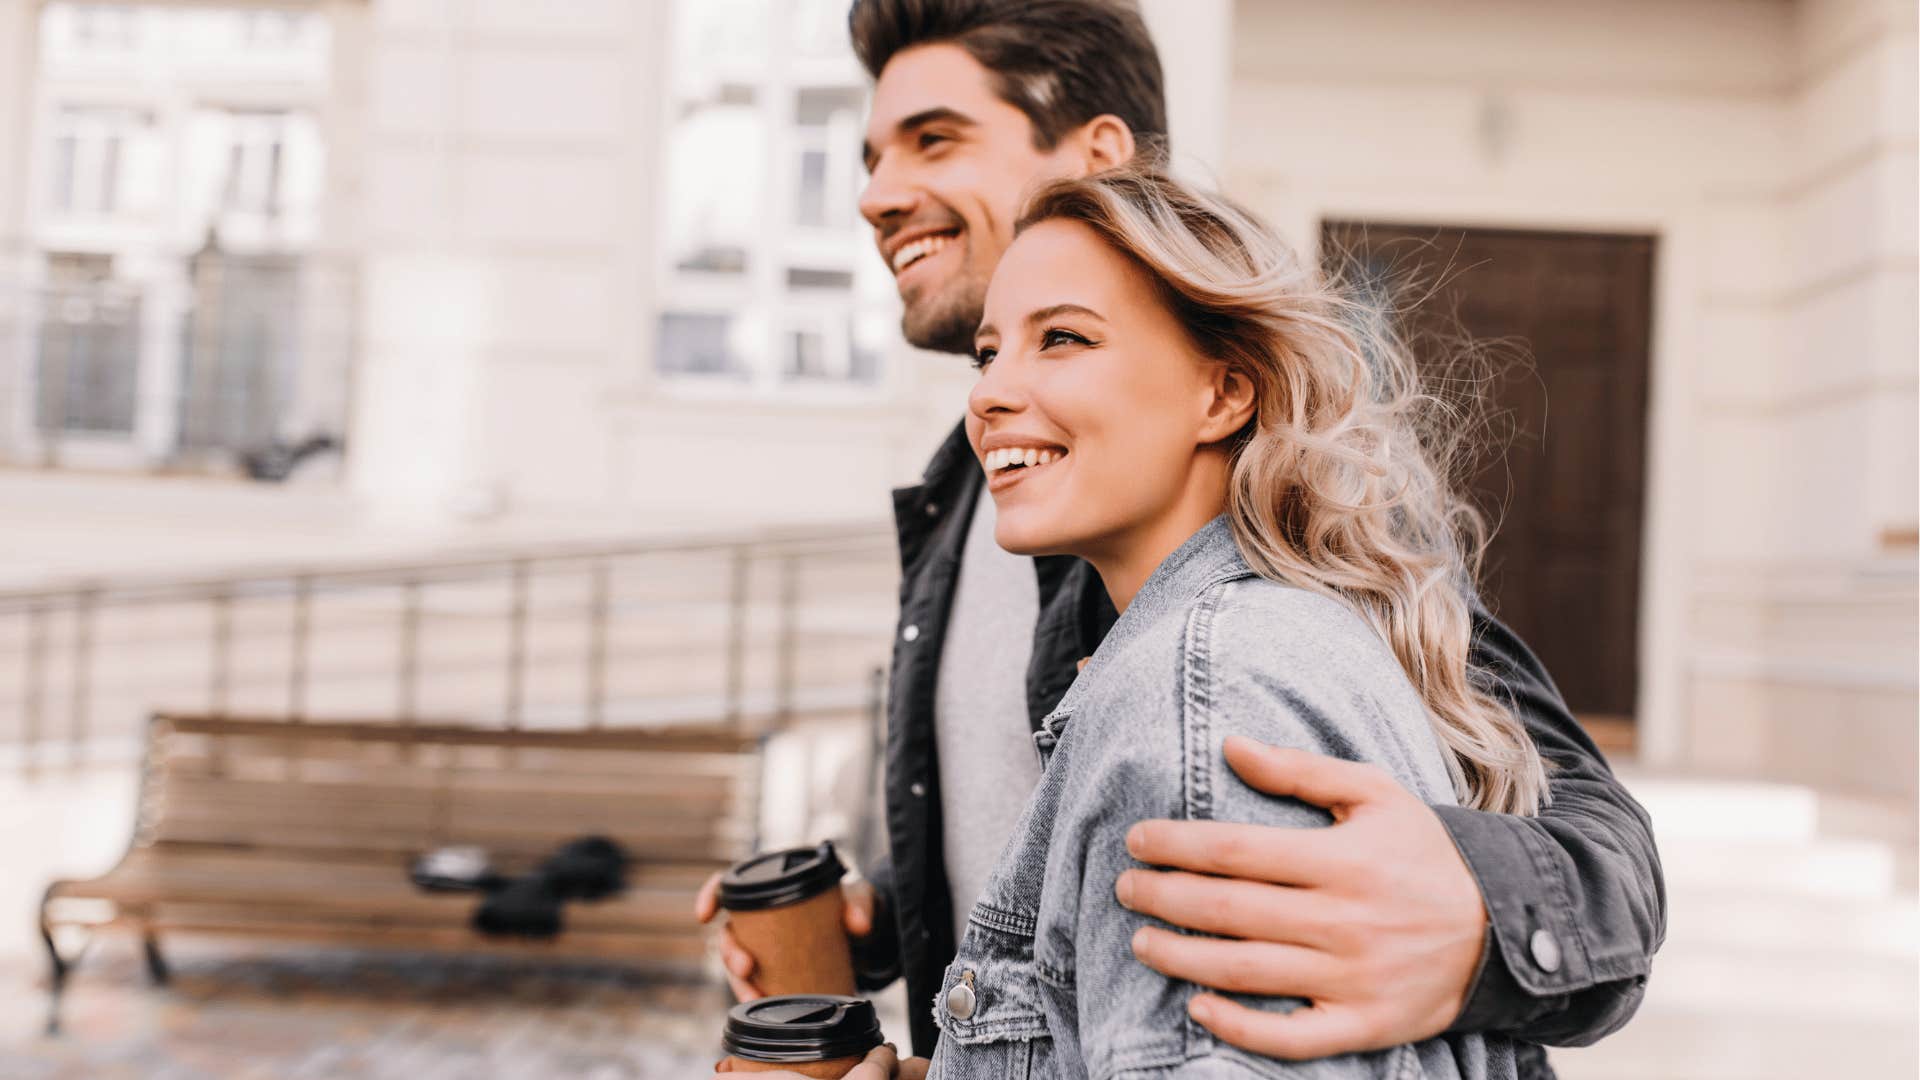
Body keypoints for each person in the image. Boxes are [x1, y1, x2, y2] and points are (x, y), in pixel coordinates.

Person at [697, 2, 1663, 1075]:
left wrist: (1469, 914)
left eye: (936, 139)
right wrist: (886, 917)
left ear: (1101, 157)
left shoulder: (1270, 547)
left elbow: (1594, 846)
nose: (876, 194)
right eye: (870, 155)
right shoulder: (971, 496)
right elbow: (1055, 894)